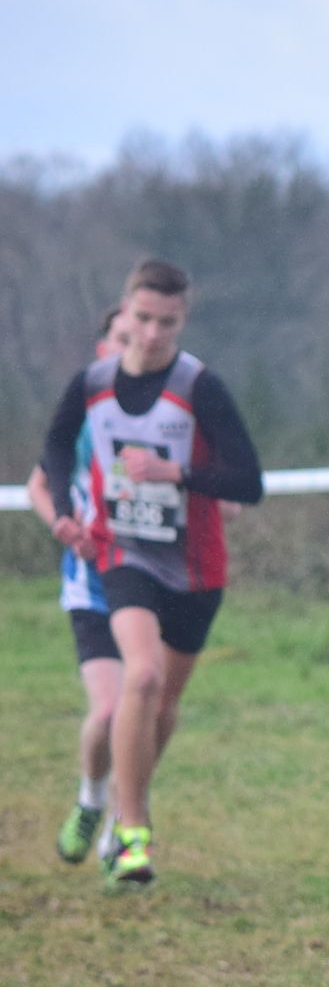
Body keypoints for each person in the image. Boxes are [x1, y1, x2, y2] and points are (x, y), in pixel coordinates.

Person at [31, 259, 265, 891]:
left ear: (183, 319)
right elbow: (55, 446)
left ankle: (120, 814)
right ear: (125, 311)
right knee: (141, 675)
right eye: (142, 318)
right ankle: (131, 830)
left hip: (195, 566)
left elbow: (249, 482)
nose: (153, 333)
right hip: (122, 552)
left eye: (168, 322)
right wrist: (64, 513)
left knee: (163, 704)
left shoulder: (200, 387)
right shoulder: (92, 384)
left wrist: (177, 474)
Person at [25, 307, 125, 866]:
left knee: (141, 715)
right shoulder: (85, 413)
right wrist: (62, 524)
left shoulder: (173, 412)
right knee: (109, 713)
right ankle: (91, 800)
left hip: (159, 585)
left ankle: (123, 827)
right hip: (93, 586)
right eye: (122, 338)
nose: (136, 346)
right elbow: (39, 486)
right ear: (102, 348)